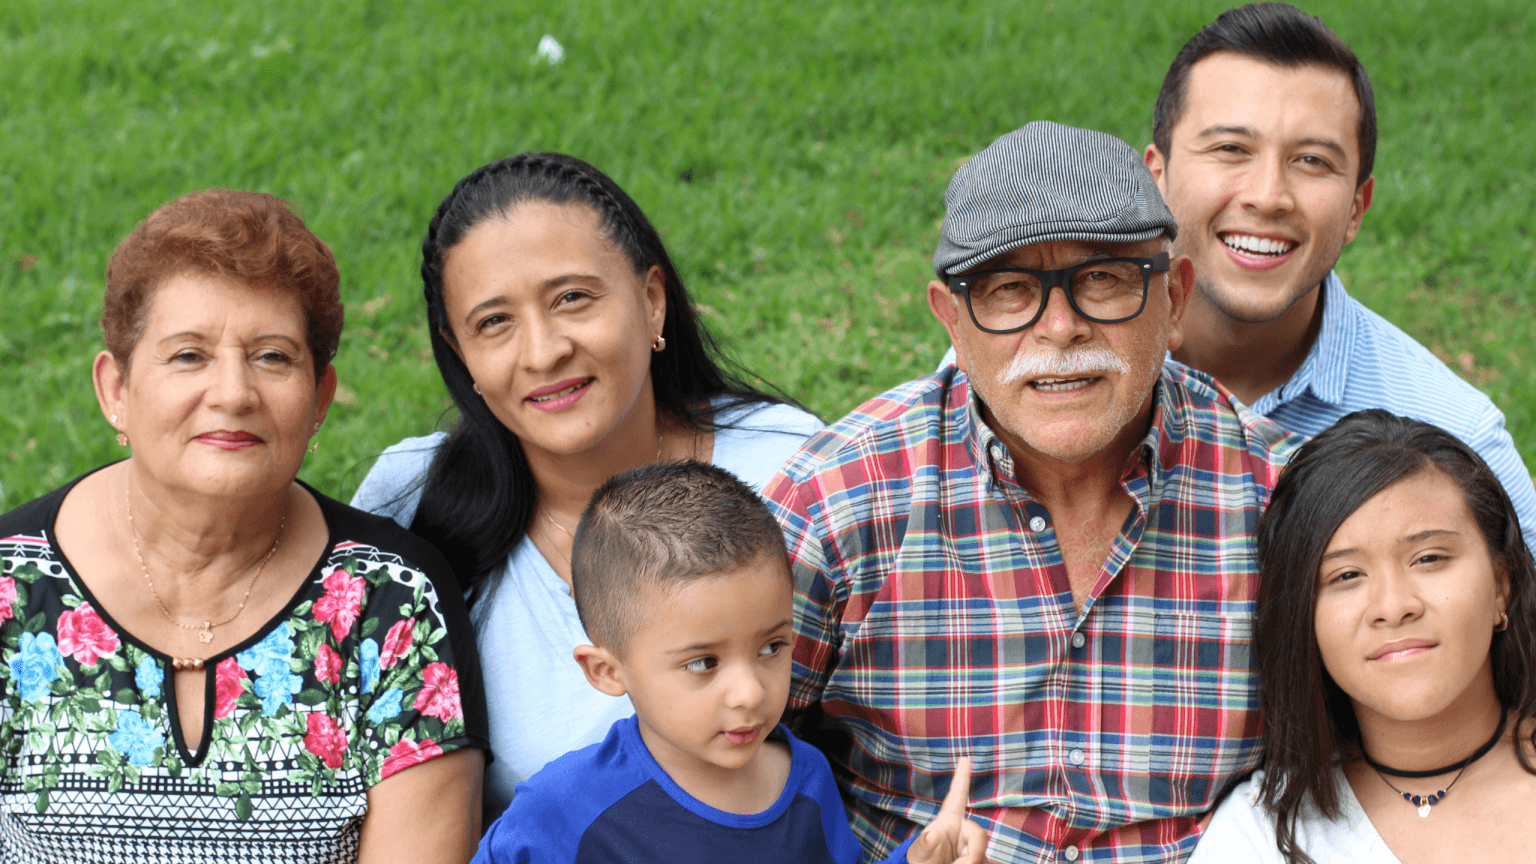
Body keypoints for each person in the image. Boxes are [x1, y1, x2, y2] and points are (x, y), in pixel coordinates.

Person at [765, 120, 1303, 863]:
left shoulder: (1281, 498)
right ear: (951, 320)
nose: (1059, 328)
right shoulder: (839, 500)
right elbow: (701, 763)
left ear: (1175, 300)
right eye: (1010, 290)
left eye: (1102, 279)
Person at [0, 190, 488, 863]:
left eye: (272, 357)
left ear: (319, 398)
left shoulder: (391, 601)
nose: (233, 393)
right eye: (189, 356)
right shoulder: (9, 589)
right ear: (116, 390)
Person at [351, 152, 823, 818]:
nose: (543, 351)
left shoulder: (792, 473)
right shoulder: (410, 506)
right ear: (462, 357)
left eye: (571, 298)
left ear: (652, 302)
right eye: (495, 322)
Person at [1143, 2, 1536, 549]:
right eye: (1231, 149)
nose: (1268, 197)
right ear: (1156, 178)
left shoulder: (1458, 441)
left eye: (1311, 161)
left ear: (1356, 208)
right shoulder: (1055, 385)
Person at [471, 461, 987, 863]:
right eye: (703, 664)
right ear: (606, 671)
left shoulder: (804, 778)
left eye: (771, 648)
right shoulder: (565, 808)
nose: (750, 693)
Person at [1189, 410, 1536, 863]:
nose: (1394, 607)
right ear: (1303, 619)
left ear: (1501, 586)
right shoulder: (1258, 837)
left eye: (1429, 558)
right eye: (1347, 575)